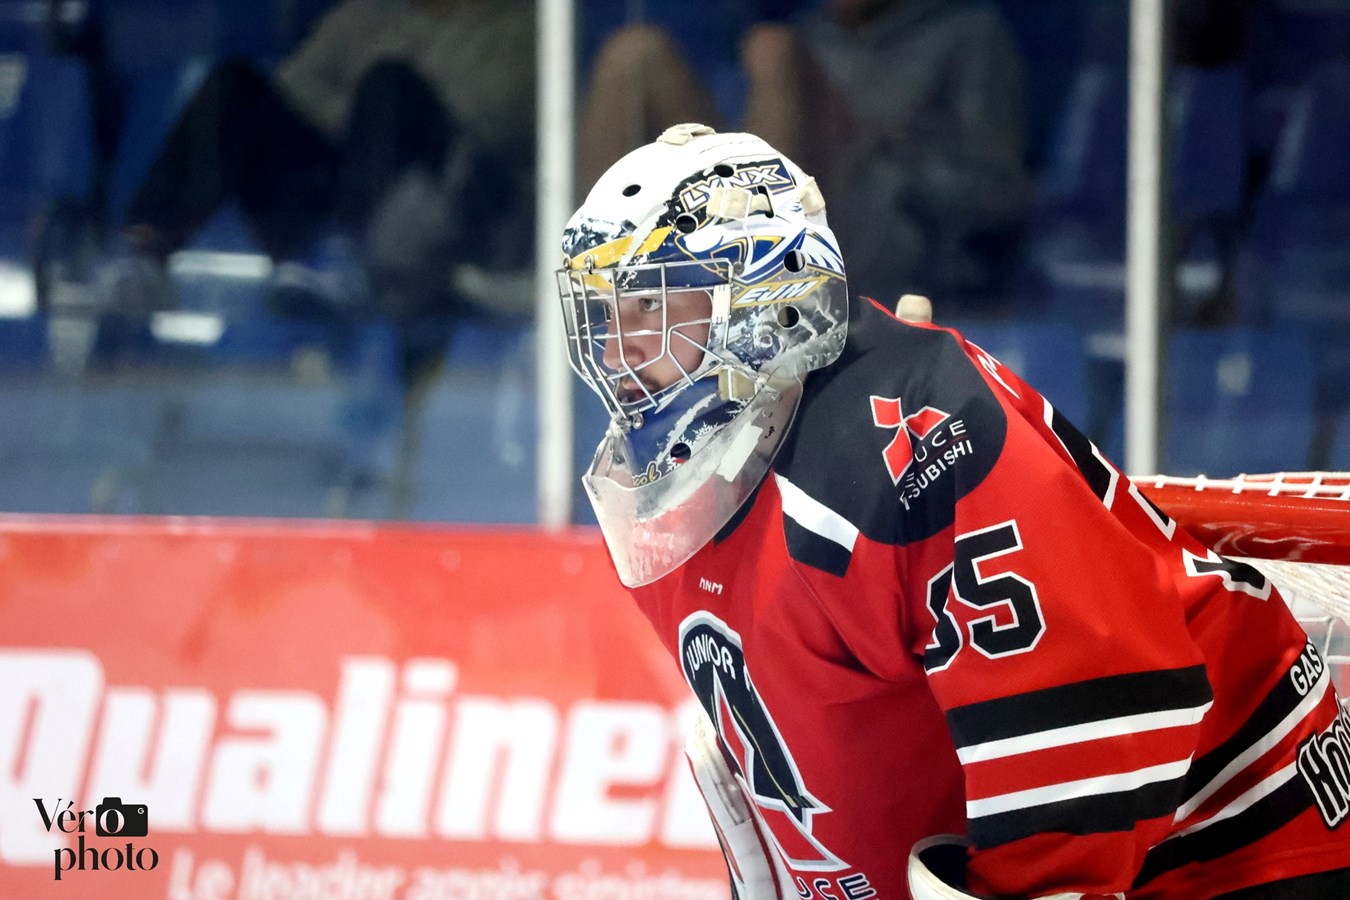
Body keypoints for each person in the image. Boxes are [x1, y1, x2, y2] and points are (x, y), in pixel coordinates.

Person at [554, 124, 1350, 898]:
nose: (618, 353)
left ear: (772, 300)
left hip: (1234, 841)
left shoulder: (916, 446)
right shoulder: (689, 490)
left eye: (654, 307)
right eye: (606, 315)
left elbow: (1099, 715)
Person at [107, 0, 534, 332]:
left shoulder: (519, 26)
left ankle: (348, 263)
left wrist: (385, 97)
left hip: (444, 207)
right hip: (339, 181)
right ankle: (144, 254)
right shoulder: (371, 14)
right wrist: (356, 116)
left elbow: (492, 115)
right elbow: (294, 88)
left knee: (388, 88)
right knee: (236, 86)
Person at [579, 0, 1030, 310]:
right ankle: (593, 276)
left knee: (776, 51)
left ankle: (754, 290)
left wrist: (888, 154)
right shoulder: (812, 33)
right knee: (634, 58)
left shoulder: (968, 33)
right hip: (761, 204)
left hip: (874, 243)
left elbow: (999, 192)